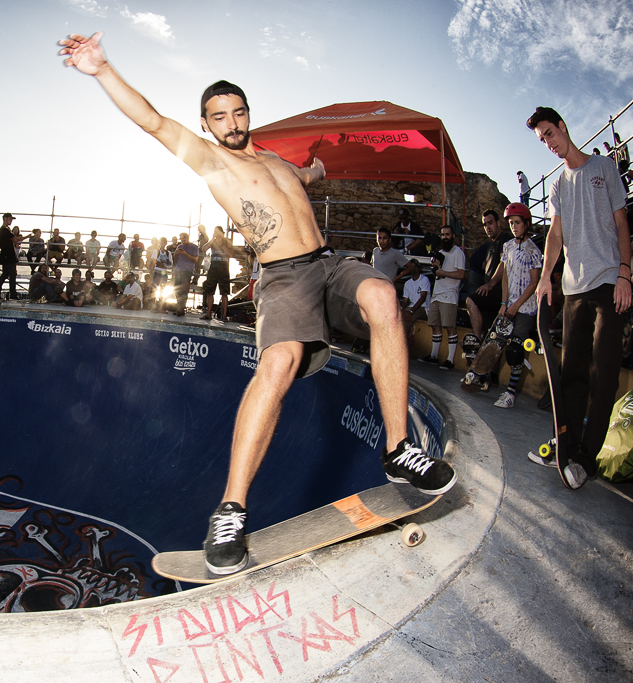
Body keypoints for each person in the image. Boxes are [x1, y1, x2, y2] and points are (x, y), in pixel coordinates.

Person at [60, 32, 456, 574]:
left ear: (249, 113)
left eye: (238, 112)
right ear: (206, 124)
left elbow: (307, 178)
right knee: (279, 361)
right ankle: (230, 510)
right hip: (283, 277)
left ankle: (397, 450)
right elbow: (153, 121)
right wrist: (102, 69)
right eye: (218, 116)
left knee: (384, 296)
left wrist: (317, 169)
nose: (231, 123)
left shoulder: (276, 161)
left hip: (328, 261)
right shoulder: (210, 160)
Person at [526, 106, 631, 488]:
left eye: (551, 134)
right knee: (571, 372)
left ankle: (585, 459)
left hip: (608, 284)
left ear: (563, 127)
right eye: (543, 140)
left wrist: (624, 274)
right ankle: (564, 445)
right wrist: (547, 277)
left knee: (603, 374)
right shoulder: (557, 186)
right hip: (574, 288)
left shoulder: (604, 168)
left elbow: (622, 223)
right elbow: (554, 234)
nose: (549, 144)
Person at [483, 203, 542, 409]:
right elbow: (505, 276)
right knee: (495, 342)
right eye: (511, 223)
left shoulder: (533, 250)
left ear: (526, 224)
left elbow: (534, 283)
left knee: (515, 350)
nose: (514, 226)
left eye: (517, 222)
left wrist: (516, 305)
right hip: (508, 304)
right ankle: (485, 377)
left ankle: (510, 394)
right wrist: (504, 302)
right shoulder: (507, 246)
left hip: (526, 307)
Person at [418, 226, 466, 370]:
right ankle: (434, 356)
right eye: (443, 234)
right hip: (437, 293)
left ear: (453, 236)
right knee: (435, 325)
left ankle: (450, 360)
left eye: (447, 234)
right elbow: (436, 273)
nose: (445, 237)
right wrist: (435, 268)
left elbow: (461, 274)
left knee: (450, 327)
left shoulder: (458, 253)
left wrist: (442, 272)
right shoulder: (439, 253)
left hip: (450, 295)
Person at [466, 209, 512, 341]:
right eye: (485, 225)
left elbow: (504, 264)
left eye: (490, 223)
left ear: (499, 223)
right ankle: (480, 342)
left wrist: (490, 284)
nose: (487, 227)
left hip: (499, 291)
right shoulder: (491, 245)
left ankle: (476, 340)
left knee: (471, 301)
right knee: (491, 337)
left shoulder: (506, 239)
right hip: (490, 294)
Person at [201, 226, 234, 321]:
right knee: (209, 291)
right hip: (213, 267)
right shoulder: (213, 242)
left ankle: (224, 316)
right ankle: (208, 314)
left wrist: (222, 244)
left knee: (224, 292)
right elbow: (204, 249)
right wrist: (212, 239)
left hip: (223, 267)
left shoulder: (227, 241)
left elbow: (231, 253)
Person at [399, 259, 429, 348]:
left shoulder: (424, 280)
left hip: (422, 308)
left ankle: (401, 347)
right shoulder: (407, 283)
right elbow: (405, 301)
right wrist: (399, 310)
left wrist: (411, 311)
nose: (413, 269)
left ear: (419, 268)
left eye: (415, 266)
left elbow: (422, 298)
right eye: (411, 267)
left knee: (407, 319)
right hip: (410, 307)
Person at [0, 213, 25, 300]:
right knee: (11, 274)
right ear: (5, 218)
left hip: (7, 255)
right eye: (10, 219)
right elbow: (15, 239)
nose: (11, 221)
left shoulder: (6, 230)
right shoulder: (5, 230)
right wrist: (27, 236)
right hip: (8, 255)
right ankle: (12, 294)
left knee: (5, 274)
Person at [171, 232, 198, 316]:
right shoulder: (179, 247)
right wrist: (175, 254)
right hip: (178, 270)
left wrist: (185, 254)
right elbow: (175, 261)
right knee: (177, 289)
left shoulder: (194, 247)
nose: (183, 241)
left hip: (187, 270)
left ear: (188, 238)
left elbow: (195, 260)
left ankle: (182, 308)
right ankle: (179, 307)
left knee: (184, 290)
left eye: (184, 239)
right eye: (181, 239)